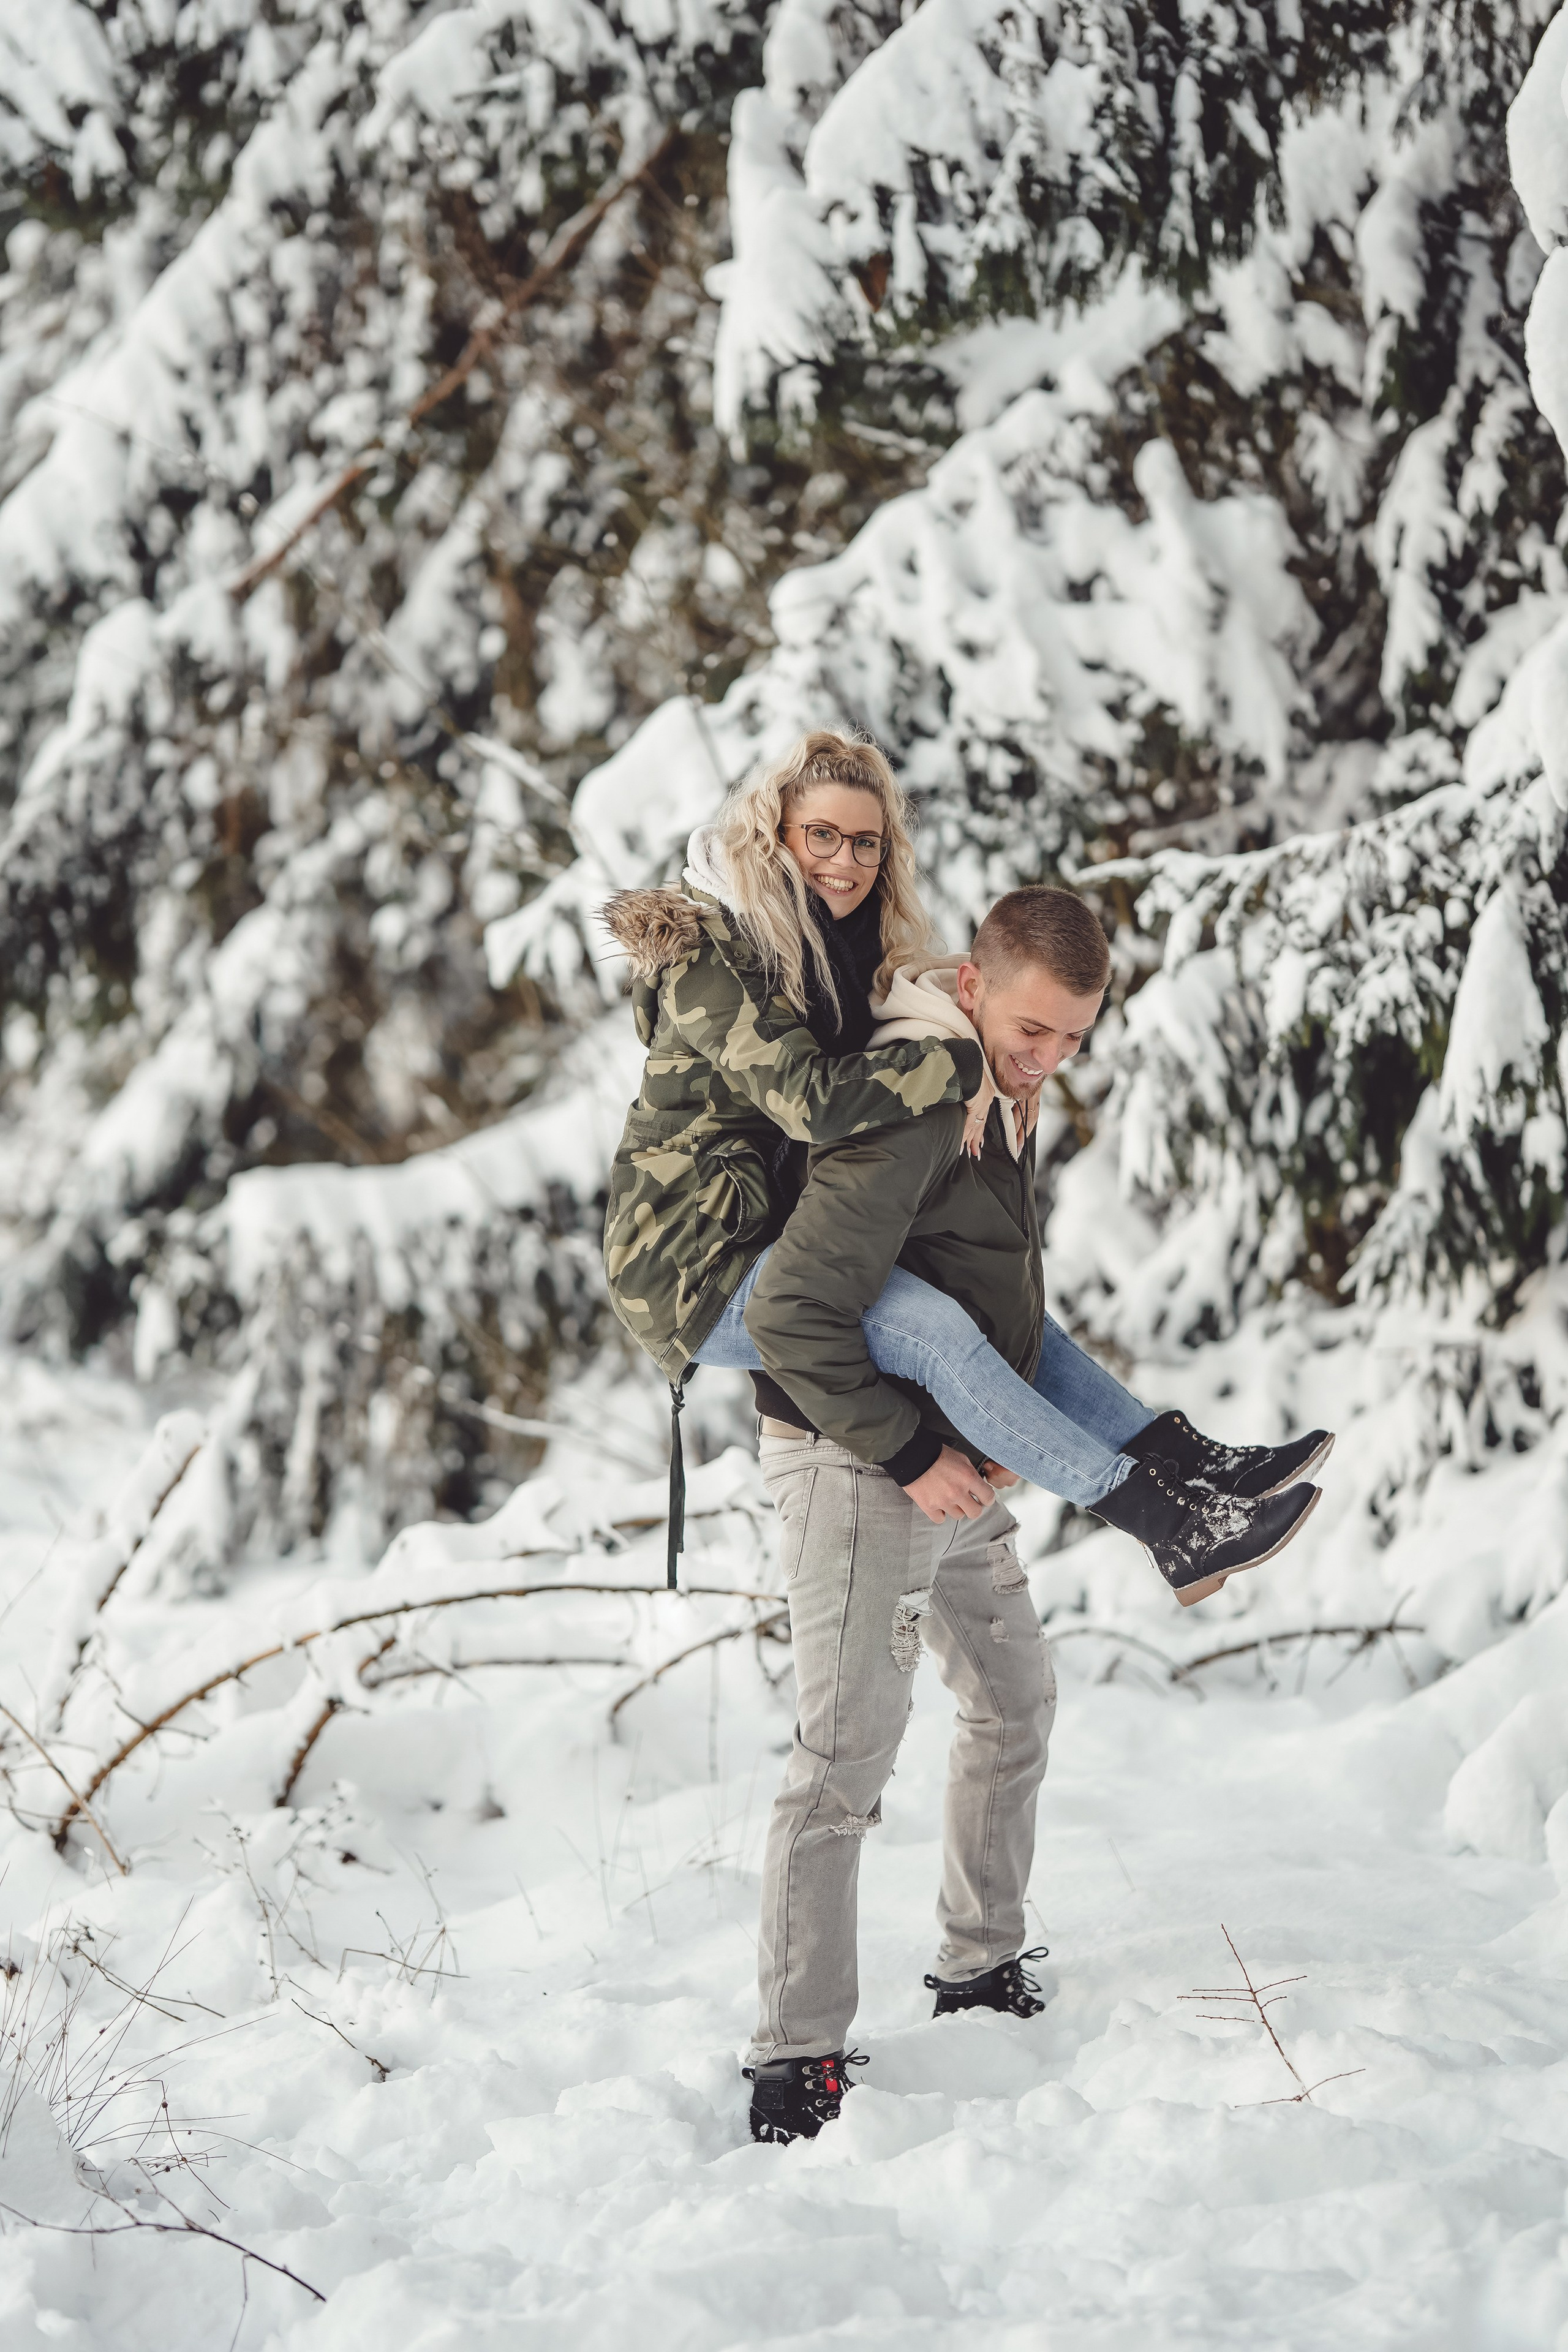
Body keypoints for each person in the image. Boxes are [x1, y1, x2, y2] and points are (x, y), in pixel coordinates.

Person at [602, 731, 1328, 1584]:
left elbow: (905, 1014)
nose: (846, 861)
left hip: (773, 1226)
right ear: (775, 835)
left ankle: (1188, 1464)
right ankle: (1162, 1522)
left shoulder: (834, 941)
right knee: (936, 1331)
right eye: (822, 835)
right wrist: (960, 1062)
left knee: (1001, 1322)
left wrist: (983, 1038)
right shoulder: (715, 953)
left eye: (866, 841)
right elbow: (812, 1099)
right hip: (691, 1262)